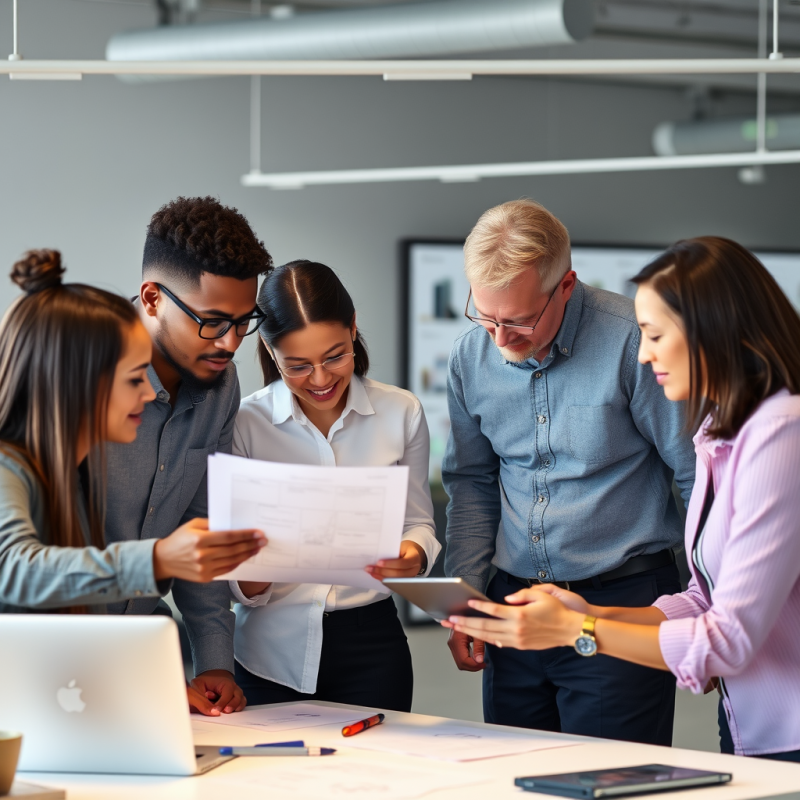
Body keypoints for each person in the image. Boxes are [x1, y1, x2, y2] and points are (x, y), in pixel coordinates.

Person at [444, 236, 800, 762]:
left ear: (712, 333)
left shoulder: (780, 435)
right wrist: (591, 614)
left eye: (655, 334)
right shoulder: (722, 436)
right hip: (751, 720)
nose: (645, 351)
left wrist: (577, 627)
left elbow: (726, 639)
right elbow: (704, 600)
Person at [442, 199, 696, 745]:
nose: (500, 339)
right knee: (516, 776)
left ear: (565, 286)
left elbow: (695, 475)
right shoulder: (469, 358)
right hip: (513, 606)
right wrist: (465, 594)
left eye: (518, 320)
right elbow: (472, 483)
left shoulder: (635, 342)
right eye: (485, 317)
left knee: (610, 779)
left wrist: (714, 608)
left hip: (622, 602)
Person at [0, 250, 265, 614]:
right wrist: (156, 559)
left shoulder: (66, 477)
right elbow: (12, 569)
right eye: (133, 377)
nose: (148, 392)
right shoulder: (8, 467)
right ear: (74, 383)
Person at [229, 260, 441, 711]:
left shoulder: (400, 411)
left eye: (335, 356)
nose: (321, 379)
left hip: (372, 646)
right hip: (268, 651)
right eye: (298, 366)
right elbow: (237, 576)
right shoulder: (245, 423)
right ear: (269, 352)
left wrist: (413, 554)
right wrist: (253, 569)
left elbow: (419, 522)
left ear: (353, 329)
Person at [103, 196, 274, 716]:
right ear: (151, 298)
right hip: (42, 645)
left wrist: (215, 660)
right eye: (213, 321)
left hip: (142, 642)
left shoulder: (220, 384)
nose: (230, 342)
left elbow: (204, 524)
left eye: (245, 322)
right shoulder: (82, 373)